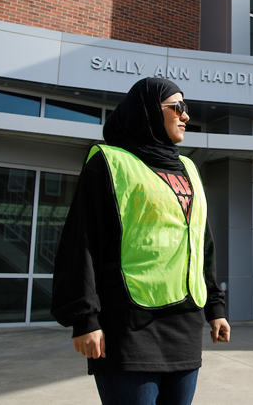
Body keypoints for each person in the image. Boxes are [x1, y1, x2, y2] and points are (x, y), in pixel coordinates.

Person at [51, 77, 230, 405]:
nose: (186, 116)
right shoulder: (109, 162)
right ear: (148, 111)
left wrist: (215, 307)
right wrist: (84, 319)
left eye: (186, 108)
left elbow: (200, 242)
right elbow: (82, 241)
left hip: (185, 326)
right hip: (127, 326)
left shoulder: (189, 167)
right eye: (177, 107)